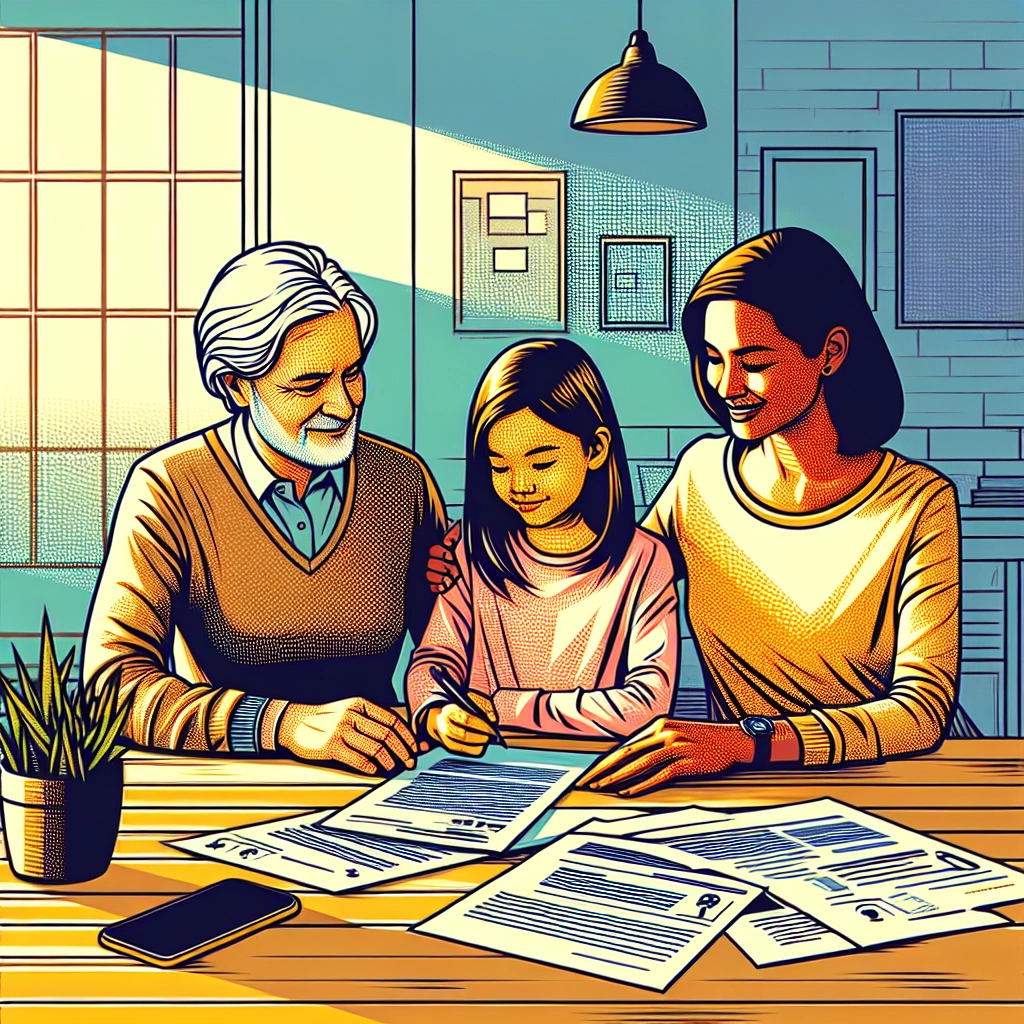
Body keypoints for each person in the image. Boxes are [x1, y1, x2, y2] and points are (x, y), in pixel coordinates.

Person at [576, 227, 960, 795]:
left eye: (753, 361)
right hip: (749, 788)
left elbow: (920, 713)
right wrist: (467, 565)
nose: (727, 385)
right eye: (711, 359)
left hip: (888, 784)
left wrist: (747, 741)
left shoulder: (918, 502)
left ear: (830, 353)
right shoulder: (699, 477)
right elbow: (605, 591)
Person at [82, 241, 448, 775]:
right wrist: (280, 724)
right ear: (236, 386)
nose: (344, 405)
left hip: (384, 780)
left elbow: (452, 650)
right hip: (227, 785)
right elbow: (111, 686)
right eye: (308, 385)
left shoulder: (401, 480)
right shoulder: (171, 487)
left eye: (352, 373)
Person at [406, 339, 679, 754]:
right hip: (481, 773)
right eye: (499, 466)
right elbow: (431, 664)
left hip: (593, 776)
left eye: (542, 463)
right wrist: (436, 713)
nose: (520, 485)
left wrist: (507, 705)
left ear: (596, 449)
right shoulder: (469, 548)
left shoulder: (643, 561)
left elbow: (646, 703)